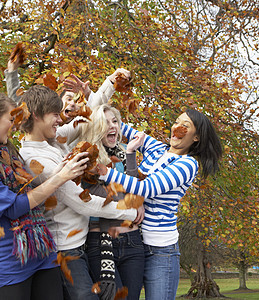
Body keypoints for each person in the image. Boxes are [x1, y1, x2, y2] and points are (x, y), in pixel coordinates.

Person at [0, 89, 90, 300]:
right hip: (10, 261)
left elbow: (29, 190)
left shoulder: (8, 150)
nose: (15, 125)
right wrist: (60, 178)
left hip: (43, 252)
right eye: (10, 119)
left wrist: (61, 171)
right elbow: (13, 207)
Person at [18, 85, 144, 300]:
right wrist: (129, 212)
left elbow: (90, 116)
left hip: (80, 244)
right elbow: (81, 202)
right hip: (65, 249)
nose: (60, 120)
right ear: (37, 116)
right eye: (55, 115)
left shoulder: (52, 142)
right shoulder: (35, 160)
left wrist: (112, 82)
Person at [98, 109, 222, 300]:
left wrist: (104, 173)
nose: (177, 128)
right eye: (176, 122)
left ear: (196, 137)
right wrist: (93, 97)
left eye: (185, 126)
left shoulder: (187, 164)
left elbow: (145, 188)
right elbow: (115, 125)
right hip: (135, 244)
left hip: (160, 252)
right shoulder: (156, 148)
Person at [77, 104, 146, 300]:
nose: (112, 126)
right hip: (100, 241)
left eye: (115, 121)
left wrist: (131, 154)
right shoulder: (86, 156)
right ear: (96, 128)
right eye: (105, 122)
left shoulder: (125, 154)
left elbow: (135, 186)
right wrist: (132, 200)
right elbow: (95, 195)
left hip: (132, 240)